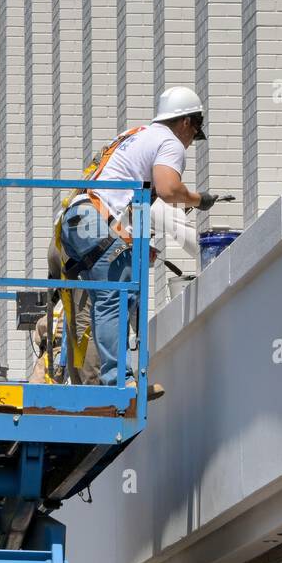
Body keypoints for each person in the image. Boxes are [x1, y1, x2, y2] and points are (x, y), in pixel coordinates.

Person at [54, 87, 223, 387]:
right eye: (194, 131)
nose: (191, 141)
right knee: (114, 298)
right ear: (186, 122)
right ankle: (117, 380)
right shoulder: (170, 142)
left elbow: (125, 199)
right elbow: (169, 189)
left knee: (121, 291)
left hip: (76, 220)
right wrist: (198, 199)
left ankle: (115, 378)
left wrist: (135, 246)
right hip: (93, 220)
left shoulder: (135, 134)